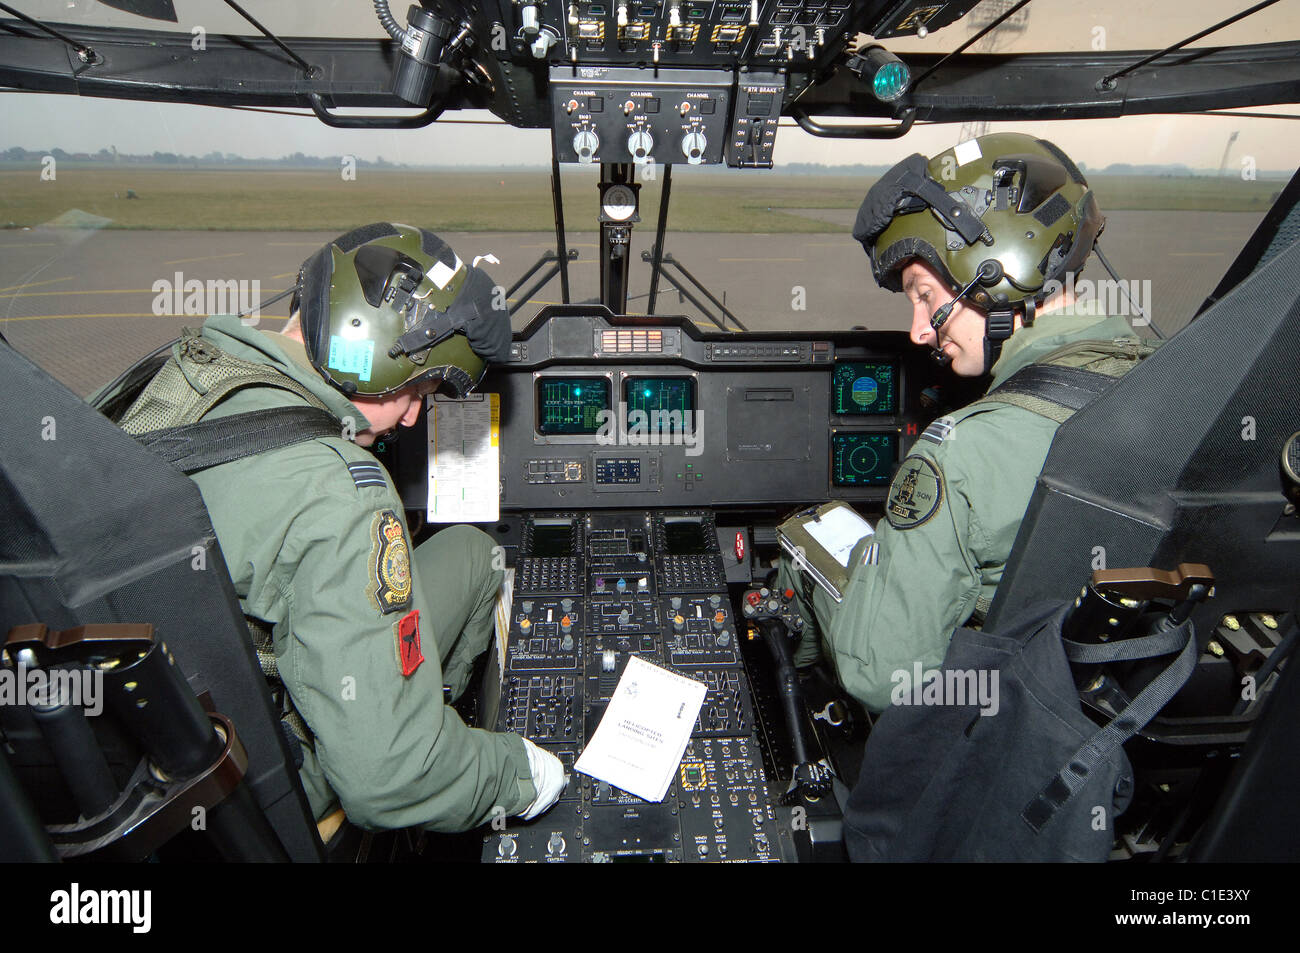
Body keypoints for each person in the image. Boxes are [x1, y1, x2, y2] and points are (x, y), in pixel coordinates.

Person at [106, 223, 564, 832]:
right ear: (366, 343)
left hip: (133, 754)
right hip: (247, 775)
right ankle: (430, 747)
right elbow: (390, 782)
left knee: (472, 554)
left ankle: (418, 709)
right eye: (420, 386)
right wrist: (522, 775)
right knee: (406, 764)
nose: (413, 415)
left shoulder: (180, 371)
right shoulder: (343, 493)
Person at [779, 133, 1154, 712]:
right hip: (1114, 707)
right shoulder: (1182, 396)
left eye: (924, 295)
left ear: (998, 269)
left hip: (993, 724)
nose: (918, 331)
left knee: (806, 540)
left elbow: (881, 675)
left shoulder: (960, 454)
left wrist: (832, 559)